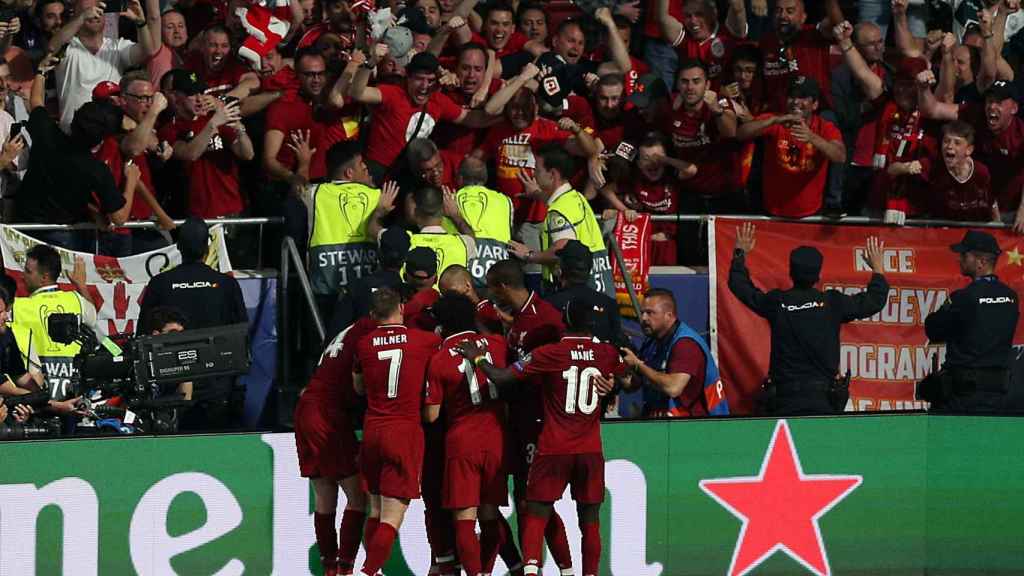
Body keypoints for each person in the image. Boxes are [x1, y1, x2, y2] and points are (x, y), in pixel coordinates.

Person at [455, 298, 625, 576]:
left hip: (554, 447)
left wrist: (477, 357)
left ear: (565, 320)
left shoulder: (550, 353)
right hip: (591, 450)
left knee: (534, 510)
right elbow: (630, 379)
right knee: (590, 520)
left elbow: (502, 377)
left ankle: (532, 569)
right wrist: (614, 384)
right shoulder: (607, 353)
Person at [728, 222, 889, 415]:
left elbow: (740, 286)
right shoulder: (832, 303)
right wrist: (878, 269)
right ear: (819, 275)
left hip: (785, 401)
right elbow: (874, 301)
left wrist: (740, 254)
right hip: (823, 402)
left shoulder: (778, 302)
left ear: (790, 273)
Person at [482, 259, 573, 574]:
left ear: (503, 287)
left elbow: (563, 361)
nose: (492, 295)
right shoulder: (519, 318)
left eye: (492, 289)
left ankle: (564, 568)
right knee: (524, 500)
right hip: (518, 421)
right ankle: (530, 567)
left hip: (538, 420)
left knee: (534, 502)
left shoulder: (546, 319)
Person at [352, 287, 442, 576]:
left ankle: (372, 570)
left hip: (373, 430)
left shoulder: (364, 344)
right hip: (404, 432)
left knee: (376, 512)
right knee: (393, 516)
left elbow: (358, 387)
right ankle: (367, 572)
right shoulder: (425, 341)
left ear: (372, 315)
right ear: (401, 308)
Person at [423, 293, 511, 576]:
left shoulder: (438, 359)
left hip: (462, 442)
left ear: (442, 325)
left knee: (464, 518)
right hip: (496, 439)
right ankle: (486, 571)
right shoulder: (497, 345)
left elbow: (432, 415)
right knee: (489, 515)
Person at [138, 217, 248, 429]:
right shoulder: (226, 284)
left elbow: (143, 335)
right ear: (207, 248)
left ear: (178, 247)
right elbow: (242, 335)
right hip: (217, 385)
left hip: (172, 383)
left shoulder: (160, 284)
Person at [17, 56, 132, 250]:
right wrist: (132, 181)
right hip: (63, 235)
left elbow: (36, 101)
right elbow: (119, 217)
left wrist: (41, 71)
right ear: (101, 139)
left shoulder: (47, 134)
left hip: (22, 227)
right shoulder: (96, 170)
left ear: (74, 120)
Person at [294, 314, 373, 575]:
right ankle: (345, 568)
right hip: (328, 415)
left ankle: (330, 566)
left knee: (325, 496)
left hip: (307, 408)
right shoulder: (370, 333)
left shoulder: (349, 328)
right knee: (357, 497)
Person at [348, 50, 493, 183]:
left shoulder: (438, 100)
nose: (424, 86)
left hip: (408, 176)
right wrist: (370, 64)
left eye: (430, 80)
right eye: (419, 79)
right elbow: (357, 93)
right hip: (376, 173)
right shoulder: (393, 94)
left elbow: (471, 119)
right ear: (408, 77)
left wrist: (505, 117)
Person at [924, 230, 1019, 414]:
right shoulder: (1011, 297)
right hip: (997, 396)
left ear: (981, 262)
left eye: (964, 255)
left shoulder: (964, 298)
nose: (959, 259)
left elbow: (933, 329)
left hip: (962, 397)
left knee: (948, 442)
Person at [509, 144, 615, 297]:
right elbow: (558, 203)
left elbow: (560, 252)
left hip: (577, 293)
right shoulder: (576, 197)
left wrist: (529, 255)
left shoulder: (557, 212)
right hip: (600, 286)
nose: (534, 175)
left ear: (552, 174)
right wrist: (537, 194)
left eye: (537, 170)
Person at [736, 75, 845, 218]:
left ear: (815, 104)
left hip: (810, 214)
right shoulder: (775, 120)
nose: (795, 102)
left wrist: (812, 137)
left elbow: (840, 156)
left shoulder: (824, 128)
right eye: (792, 96)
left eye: (803, 97)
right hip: (772, 212)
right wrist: (774, 120)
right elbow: (741, 134)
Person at [50, 0, 160, 132]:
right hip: (73, 135)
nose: (94, 14)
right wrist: (81, 18)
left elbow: (147, 51)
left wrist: (140, 22)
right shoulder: (68, 47)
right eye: (87, 11)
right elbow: (52, 48)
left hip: (110, 135)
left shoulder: (117, 47)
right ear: (75, 15)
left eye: (99, 10)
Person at [621, 288, 728, 417]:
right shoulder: (651, 342)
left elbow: (673, 388)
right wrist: (617, 371)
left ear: (669, 315)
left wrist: (638, 365)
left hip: (697, 427)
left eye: (650, 313)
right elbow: (635, 384)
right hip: (662, 426)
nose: (643, 318)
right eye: (642, 312)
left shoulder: (686, 344)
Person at [10, 245, 98, 399]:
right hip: (75, 391)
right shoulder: (77, 300)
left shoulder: (17, 307)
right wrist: (81, 286)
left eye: (28, 272)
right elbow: (93, 318)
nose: (23, 276)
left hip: (37, 390)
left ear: (44, 277)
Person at [327, 226, 410, 337]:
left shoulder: (356, 287)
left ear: (379, 253)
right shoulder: (409, 292)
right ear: (405, 258)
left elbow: (335, 334)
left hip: (362, 350)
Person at [545, 240, 622, 345]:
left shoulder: (549, 304)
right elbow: (618, 344)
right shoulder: (609, 304)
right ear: (590, 269)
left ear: (561, 269)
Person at [454, 156, 513, 286]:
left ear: (460, 178)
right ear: (485, 178)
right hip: (498, 276)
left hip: (465, 278)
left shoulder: (450, 200)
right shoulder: (505, 201)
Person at [408, 186, 476, 282]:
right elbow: (472, 237)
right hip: (450, 297)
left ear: (416, 212)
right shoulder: (463, 243)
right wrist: (455, 215)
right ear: (444, 210)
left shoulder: (405, 242)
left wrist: (379, 214)